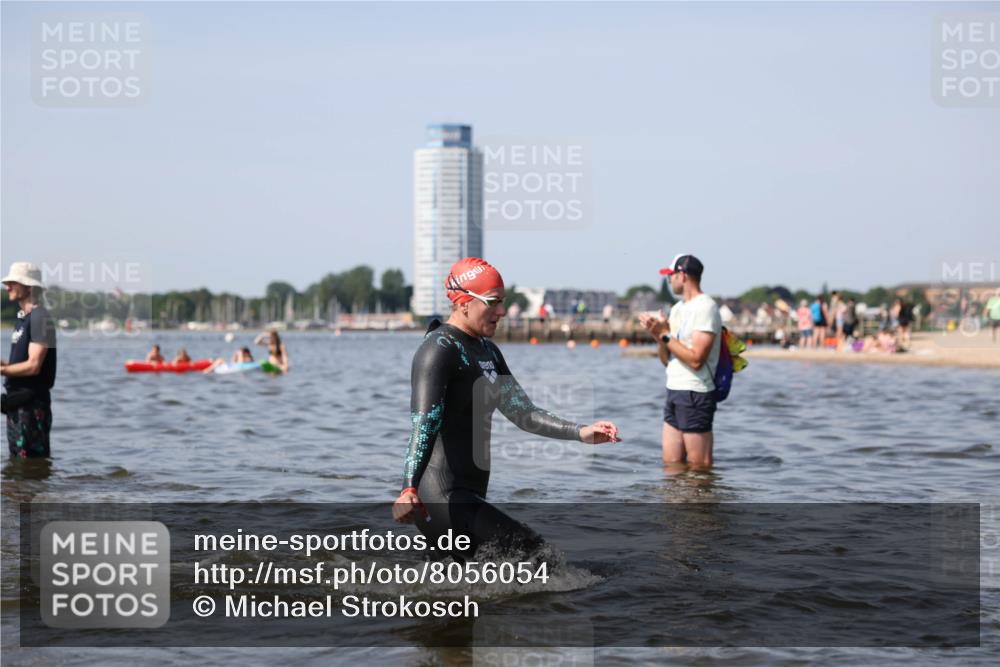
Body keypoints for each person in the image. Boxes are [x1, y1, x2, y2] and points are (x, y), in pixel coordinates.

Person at [392, 257, 619, 559]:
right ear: (463, 303)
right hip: (438, 497)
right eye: (493, 302)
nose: (501, 311)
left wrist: (581, 432)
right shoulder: (438, 349)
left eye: (503, 302)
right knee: (536, 556)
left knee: (455, 589)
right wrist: (408, 488)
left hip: (468, 494)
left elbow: (523, 412)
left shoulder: (487, 350)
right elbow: (424, 423)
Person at [639, 254, 721, 469]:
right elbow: (667, 360)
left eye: (670, 276)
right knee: (671, 465)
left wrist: (665, 335)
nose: (669, 280)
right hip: (674, 389)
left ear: (682, 276)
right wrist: (658, 335)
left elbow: (696, 360)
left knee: (699, 467)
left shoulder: (705, 307)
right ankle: (677, 504)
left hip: (696, 392)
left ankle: (702, 504)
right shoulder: (677, 309)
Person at [1, 262, 57, 459]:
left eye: (13, 283)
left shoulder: (40, 318)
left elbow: (34, 366)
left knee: (30, 466)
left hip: (32, 409)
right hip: (17, 405)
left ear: (29, 287)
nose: (7, 287)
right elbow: (23, 363)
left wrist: (2, 370)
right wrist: (4, 365)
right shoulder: (24, 320)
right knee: (18, 468)